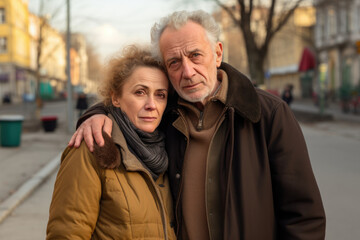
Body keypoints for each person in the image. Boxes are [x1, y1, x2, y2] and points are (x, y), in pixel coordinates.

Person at [69, 10, 326, 240]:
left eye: (195, 55)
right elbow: (129, 96)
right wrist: (97, 113)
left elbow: (303, 216)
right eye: (174, 62)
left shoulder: (268, 114)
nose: (188, 71)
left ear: (217, 53)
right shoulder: (163, 114)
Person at [47, 45, 176, 240]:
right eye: (140, 92)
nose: (152, 105)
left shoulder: (165, 152)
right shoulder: (91, 145)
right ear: (116, 97)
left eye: (160, 95)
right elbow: (67, 233)